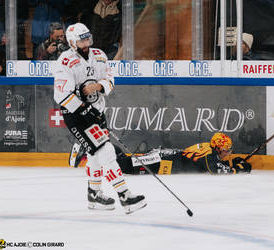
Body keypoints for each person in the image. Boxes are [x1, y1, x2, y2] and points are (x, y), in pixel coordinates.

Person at [53, 22, 146, 214]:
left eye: (88, 38)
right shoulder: (65, 61)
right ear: (72, 42)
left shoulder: (99, 56)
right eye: (82, 40)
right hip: (76, 116)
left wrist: (98, 87)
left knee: (94, 155)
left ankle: (94, 195)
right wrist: (85, 110)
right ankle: (125, 196)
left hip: (97, 112)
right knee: (106, 150)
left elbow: (110, 80)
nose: (86, 42)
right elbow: (61, 95)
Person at [70, 132, 252, 175]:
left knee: (126, 162)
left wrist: (231, 163)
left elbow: (214, 165)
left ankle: (91, 148)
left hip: (165, 158)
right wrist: (238, 168)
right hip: (162, 160)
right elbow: (214, 169)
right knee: (126, 166)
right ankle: (88, 147)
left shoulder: (209, 149)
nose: (228, 153)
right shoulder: (209, 154)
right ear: (218, 147)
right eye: (226, 150)